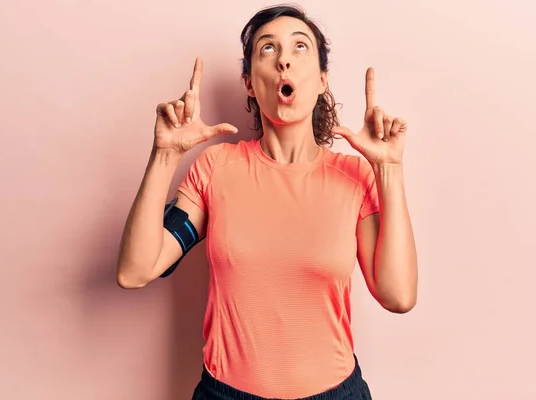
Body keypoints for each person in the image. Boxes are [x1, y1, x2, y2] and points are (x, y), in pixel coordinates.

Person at [116, 4, 418, 399]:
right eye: (268, 50)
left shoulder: (355, 177)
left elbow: (398, 295)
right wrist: (164, 156)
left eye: (299, 47)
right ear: (248, 82)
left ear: (322, 78)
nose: (284, 62)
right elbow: (135, 271)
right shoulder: (216, 167)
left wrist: (389, 169)